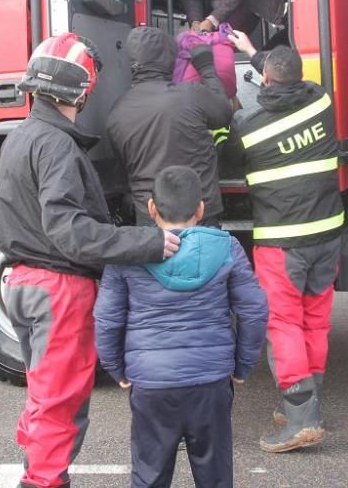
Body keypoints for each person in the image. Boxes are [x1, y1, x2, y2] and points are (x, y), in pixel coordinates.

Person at [0, 32, 181, 488]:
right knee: (62, 401)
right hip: (58, 289)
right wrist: (150, 242)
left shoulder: (20, 138)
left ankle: (36, 468)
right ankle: (42, 480)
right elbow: (71, 234)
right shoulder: (56, 145)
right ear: (83, 90)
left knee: (43, 394)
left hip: (22, 284)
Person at [94, 165, 268, 488]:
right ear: (201, 209)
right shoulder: (226, 248)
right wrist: (241, 367)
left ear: (151, 209)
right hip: (211, 381)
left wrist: (117, 369)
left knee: (149, 476)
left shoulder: (127, 253)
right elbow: (254, 311)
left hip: (151, 382)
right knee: (215, 477)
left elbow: (107, 320)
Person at [228, 31, 342, 453]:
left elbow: (226, 151)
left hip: (282, 240)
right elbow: (295, 83)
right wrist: (256, 55)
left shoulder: (249, 125)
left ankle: (301, 419)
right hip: (327, 232)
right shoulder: (322, 103)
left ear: (265, 81)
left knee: (283, 324)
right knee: (315, 320)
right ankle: (309, 406)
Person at [107, 27, 233, 227]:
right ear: (170, 61)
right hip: (198, 214)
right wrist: (206, 66)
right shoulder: (190, 94)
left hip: (150, 217)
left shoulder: (116, 112)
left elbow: (123, 170)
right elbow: (224, 114)